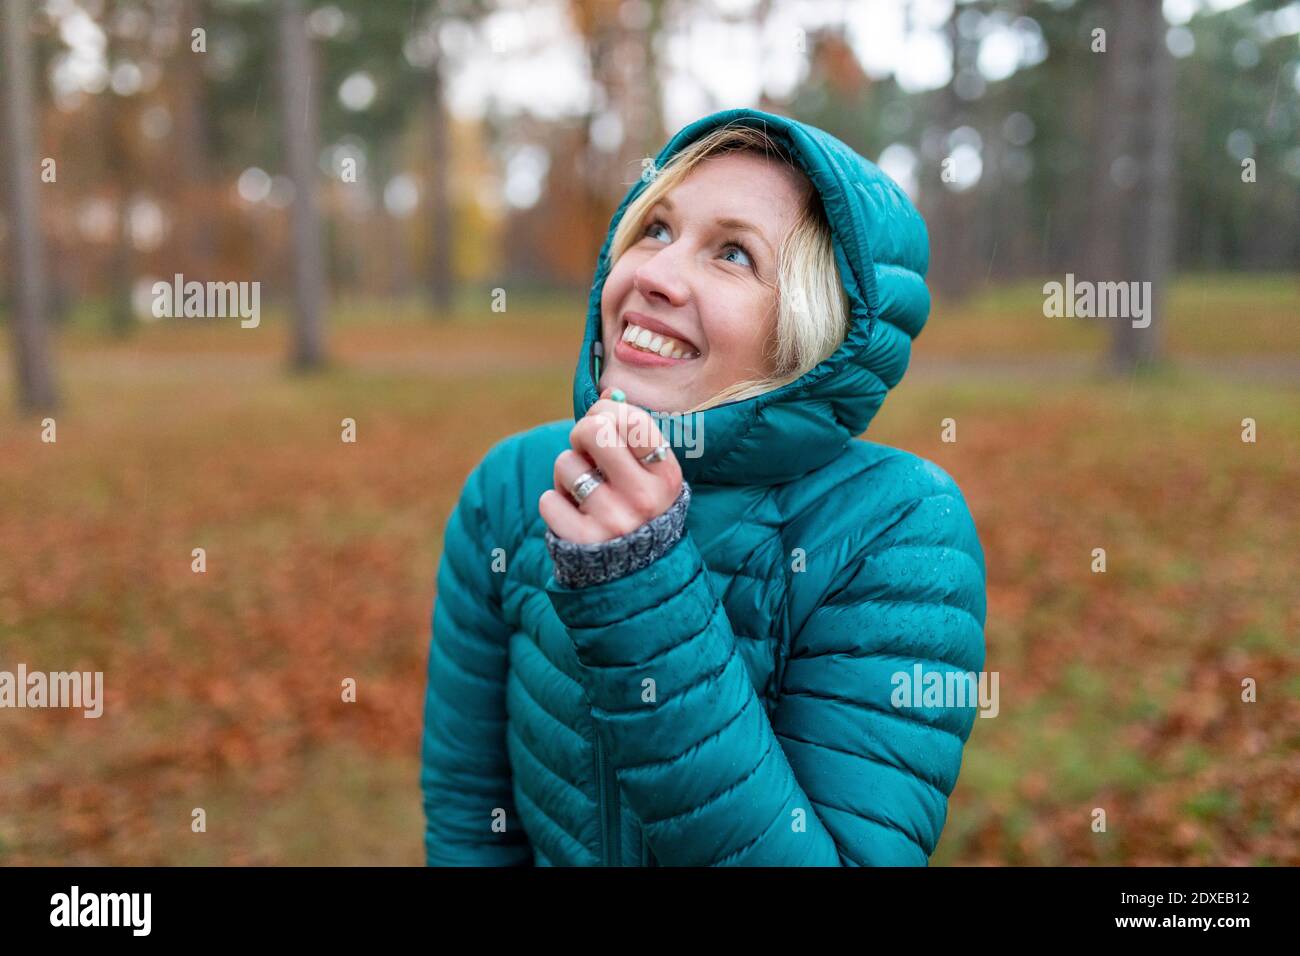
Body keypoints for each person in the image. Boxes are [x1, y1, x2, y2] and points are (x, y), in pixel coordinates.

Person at [421, 106, 987, 866]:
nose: (653, 274)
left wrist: (641, 584)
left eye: (733, 255)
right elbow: (470, 820)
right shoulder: (510, 488)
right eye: (654, 229)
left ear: (814, 335)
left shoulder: (901, 528)